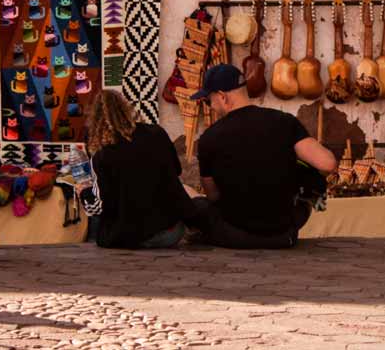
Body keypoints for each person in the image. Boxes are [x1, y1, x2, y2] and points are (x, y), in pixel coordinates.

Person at [188, 64, 337, 248]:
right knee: (307, 174)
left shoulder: (208, 138)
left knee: (194, 199)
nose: (210, 107)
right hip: (283, 235)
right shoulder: (284, 121)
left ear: (222, 96)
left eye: (208, 101)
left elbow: (213, 196)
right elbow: (327, 164)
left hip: (234, 236)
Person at [83, 90, 197, 248]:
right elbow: (176, 171)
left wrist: (84, 192)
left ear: (93, 120)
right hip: (171, 232)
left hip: (126, 238)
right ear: (126, 109)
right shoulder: (157, 133)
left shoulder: (101, 154)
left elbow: (101, 206)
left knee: (93, 217)